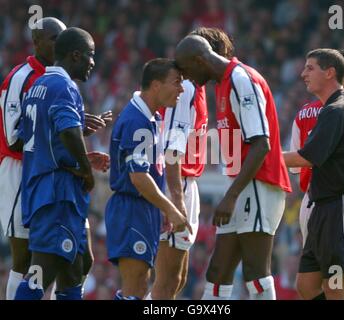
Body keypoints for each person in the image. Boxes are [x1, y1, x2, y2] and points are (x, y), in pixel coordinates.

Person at [0, 17, 111, 300]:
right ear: (75, 54)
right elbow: (29, 136)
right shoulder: (55, 85)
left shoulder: (41, 85)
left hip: (49, 180)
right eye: (91, 56)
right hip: (51, 187)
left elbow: (43, 132)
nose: (93, 63)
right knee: (37, 267)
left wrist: (78, 144)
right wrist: (86, 171)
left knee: (77, 264)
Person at [175, 34, 292, 300]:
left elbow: (261, 144)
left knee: (256, 271)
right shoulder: (223, 84)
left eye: (187, 70)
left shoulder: (241, 78)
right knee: (218, 269)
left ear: (198, 60)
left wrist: (231, 196)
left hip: (259, 183)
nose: (188, 78)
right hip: (241, 183)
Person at [283, 48, 344, 300]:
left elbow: (304, 159)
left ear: (330, 72)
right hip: (323, 206)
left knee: (335, 289)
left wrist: (263, 157)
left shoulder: (335, 110)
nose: (303, 74)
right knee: (306, 285)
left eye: (310, 68)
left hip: (339, 206)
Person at [105, 58, 192, 300]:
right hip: (132, 208)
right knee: (135, 287)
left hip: (143, 209)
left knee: (139, 289)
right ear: (155, 85)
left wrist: (160, 207)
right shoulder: (136, 121)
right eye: (177, 82)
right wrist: (171, 208)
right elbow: (139, 178)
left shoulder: (150, 118)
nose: (182, 89)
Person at [149, 79, 207, 300]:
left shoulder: (196, 87)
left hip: (185, 181)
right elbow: (172, 146)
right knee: (167, 281)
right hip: (177, 182)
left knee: (177, 279)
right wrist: (175, 199)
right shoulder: (187, 88)